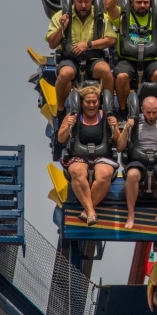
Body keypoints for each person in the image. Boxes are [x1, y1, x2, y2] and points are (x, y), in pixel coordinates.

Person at [45, 0, 117, 115]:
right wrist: (62, 28)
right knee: (65, 73)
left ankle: (108, 110)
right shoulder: (60, 16)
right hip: (70, 60)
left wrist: (88, 45)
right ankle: (60, 111)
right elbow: (51, 43)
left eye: (86, 2)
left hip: (93, 59)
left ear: (92, 0)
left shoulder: (101, 17)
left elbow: (111, 39)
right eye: (79, 2)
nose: (83, 6)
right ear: (73, 0)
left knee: (106, 71)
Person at [56, 84, 120, 225]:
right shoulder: (72, 116)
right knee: (77, 171)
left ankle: (87, 211)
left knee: (104, 173)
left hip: (102, 156)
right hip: (79, 156)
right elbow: (61, 138)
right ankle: (91, 211)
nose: (91, 105)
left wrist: (114, 127)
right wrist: (69, 126)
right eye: (88, 102)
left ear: (99, 102)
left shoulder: (106, 116)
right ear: (81, 103)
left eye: (94, 102)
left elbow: (119, 143)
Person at [116, 95, 157, 230]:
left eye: (154, 112)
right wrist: (127, 128)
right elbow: (120, 148)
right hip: (138, 158)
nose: (151, 116)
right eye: (148, 112)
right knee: (132, 174)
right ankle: (131, 214)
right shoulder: (135, 122)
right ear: (141, 110)